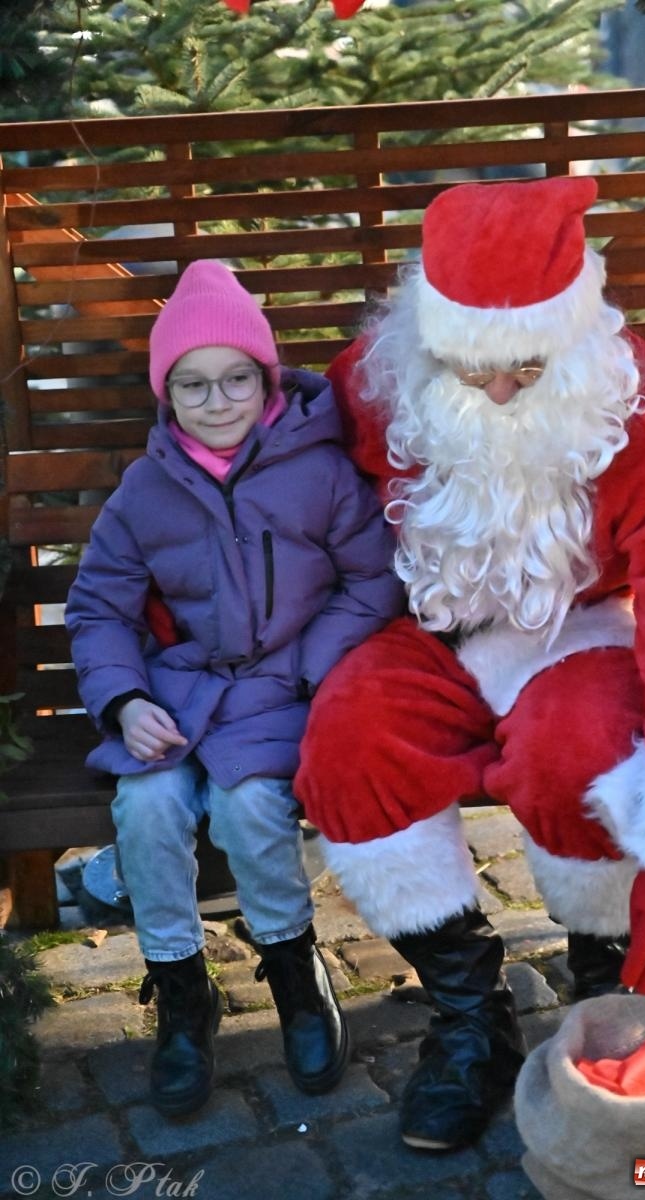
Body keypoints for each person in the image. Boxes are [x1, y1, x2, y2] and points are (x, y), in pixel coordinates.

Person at [294, 176, 645, 1151]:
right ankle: (469, 1013)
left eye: (526, 365)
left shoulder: (640, 407)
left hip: (575, 625)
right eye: (472, 367)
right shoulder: (370, 379)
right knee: (348, 741)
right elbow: (256, 489)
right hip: (428, 624)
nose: (499, 390)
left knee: (580, 748)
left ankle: (609, 988)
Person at [65, 260, 405, 1118]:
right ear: (166, 392)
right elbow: (98, 606)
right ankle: (181, 989)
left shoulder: (318, 471)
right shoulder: (146, 490)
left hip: (282, 688)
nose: (217, 402)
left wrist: (306, 666)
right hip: (178, 696)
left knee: (251, 807)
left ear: (266, 378)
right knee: (146, 808)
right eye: (193, 385)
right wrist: (123, 701)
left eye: (236, 380)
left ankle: (293, 969)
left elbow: (371, 580)